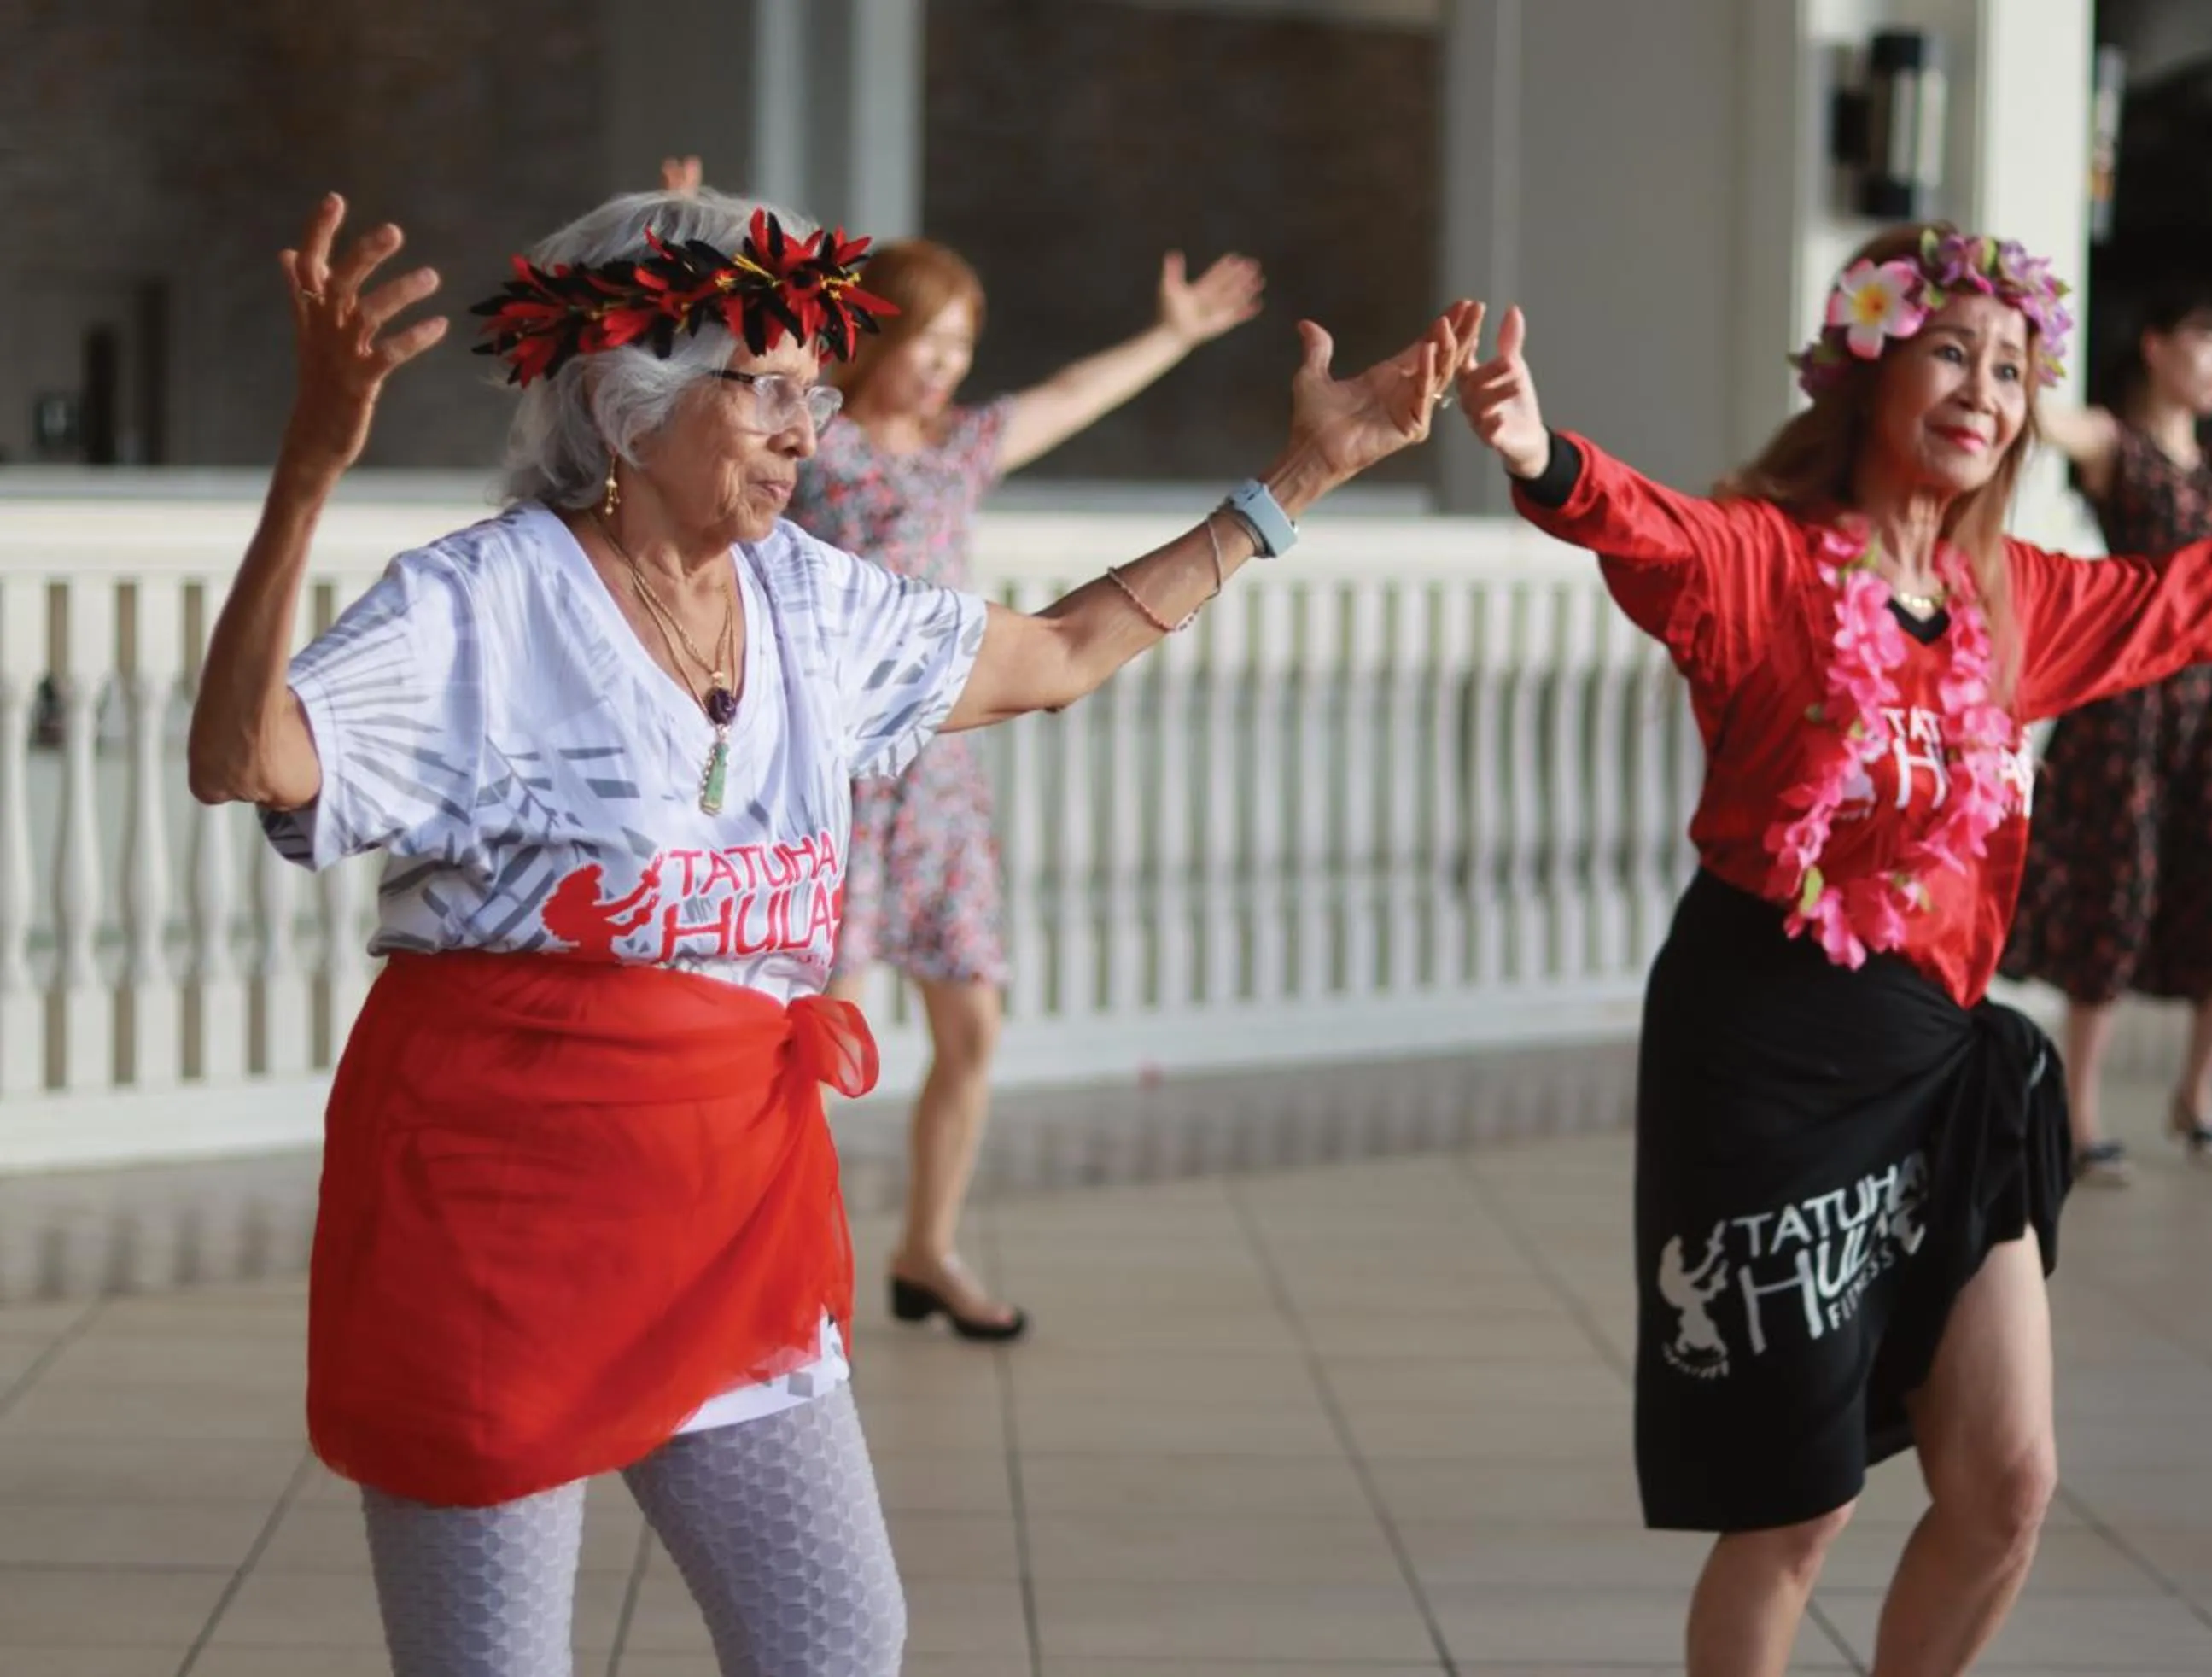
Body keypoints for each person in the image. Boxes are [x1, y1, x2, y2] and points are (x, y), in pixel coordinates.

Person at [185, 183, 1473, 1677]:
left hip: (732, 1198)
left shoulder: (808, 597)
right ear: (618, 407)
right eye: (768, 388)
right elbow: (245, 759)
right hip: (497, 1207)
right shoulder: (484, 604)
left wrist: (1299, 478)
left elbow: (1059, 653)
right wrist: (307, 471)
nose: (809, 429)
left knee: (837, 1643)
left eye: (816, 388)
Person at [1453, 225, 2212, 1677]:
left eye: (2013, 369)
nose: (1984, 390)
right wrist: (1542, 458)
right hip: (1765, 1055)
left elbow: (2184, 600)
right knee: (1798, 1507)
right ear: (1868, 369)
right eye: (1951, 354)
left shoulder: (2016, 602)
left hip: (1940, 1057)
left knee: (2009, 1484)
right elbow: (1656, 535)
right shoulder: (1771, 563)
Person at [788, 229, 1264, 1341]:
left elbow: (1070, 394)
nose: (944, 365)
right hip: (835, 775)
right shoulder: (812, 435)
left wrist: (1173, 336)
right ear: (870, 334)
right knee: (822, 1046)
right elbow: (724, 382)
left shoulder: (960, 447)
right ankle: (790, 1273)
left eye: (961, 345)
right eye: (926, 340)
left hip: (938, 778)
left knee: (972, 1027)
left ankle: (926, 1249)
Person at [2000, 293, 2212, 1184]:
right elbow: (2041, 419)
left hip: (2204, 712)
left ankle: (2196, 1093)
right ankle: (2079, 1114)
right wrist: (2013, 341)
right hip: (2122, 707)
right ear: (2155, 346)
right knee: (2114, 896)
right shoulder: (2116, 443)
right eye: (2209, 344)